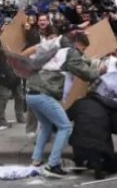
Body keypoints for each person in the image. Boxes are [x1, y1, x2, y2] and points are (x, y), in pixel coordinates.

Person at [26, 31, 103, 176]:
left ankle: (36, 160)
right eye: (83, 49)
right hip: (44, 94)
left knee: (46, 126)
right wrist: (99, 70)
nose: (82, 52)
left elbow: (80, 62)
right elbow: (87, 75)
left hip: (31, 93)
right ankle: (53, 164)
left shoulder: (58, 50)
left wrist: (89, 62)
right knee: (65, 127)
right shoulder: (71, 52)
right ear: (77, 44)